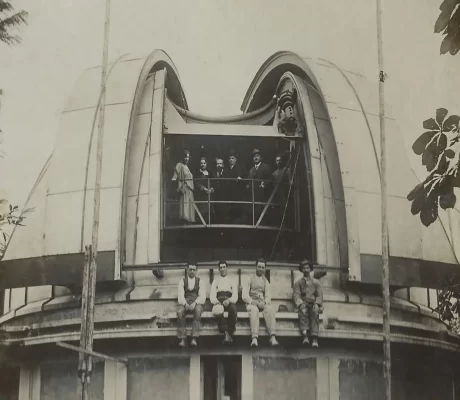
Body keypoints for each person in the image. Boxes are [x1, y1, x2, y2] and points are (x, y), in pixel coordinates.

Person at [242, 258, 280, 347]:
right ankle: (254, 338)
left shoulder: (265, 281)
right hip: (251, 303)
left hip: (262, 303)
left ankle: (272, 337)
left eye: (263, 267)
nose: (260, 269)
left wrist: (264, 303)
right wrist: (252, 302)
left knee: (270, 310)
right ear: (255, 267)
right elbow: (244, 295)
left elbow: (268, 296)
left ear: (265, 269)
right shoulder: (249, 278)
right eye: (259, 267)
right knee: (254, 311)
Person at [293, 259, 323, 347]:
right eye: (304, 268)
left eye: (307, 268)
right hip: (304, 303)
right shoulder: (298, 283)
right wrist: (300, 303)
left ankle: (314, 338)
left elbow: (319, 295)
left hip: (313, 304)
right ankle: (305, 336)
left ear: (310, 269)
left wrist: (317, 304)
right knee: (303, 311)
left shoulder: (316, 282)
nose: (306, 270)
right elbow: (296, 295)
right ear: (301, 270)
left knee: (315, 312)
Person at [176, 262, 206, 347]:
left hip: (196, 302)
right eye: (190, 269)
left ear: (196, 270)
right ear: (187, 270)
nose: (192, 271)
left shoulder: (200, 281)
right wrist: (185, 304)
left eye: (194, 269)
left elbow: (202, 296)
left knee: (198, 311)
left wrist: (194, 303)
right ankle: (182, 338)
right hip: (185, 302)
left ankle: (194, 338)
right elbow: (180, 295)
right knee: (180, 312)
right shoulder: (182, 281)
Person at [210, 260, 238, 343]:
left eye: (224, 267)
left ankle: (230, 331)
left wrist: (229, 300)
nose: (222, 269)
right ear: (219, 269)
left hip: (228, 300)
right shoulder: (215, 281)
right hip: (219, 301)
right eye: (221, 268)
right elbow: (212, 295)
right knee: (218, 310)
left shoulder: (232, 280)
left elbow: (235, 295)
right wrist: (216, 302)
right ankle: (225, 333)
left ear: (227, 268)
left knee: (233, 309)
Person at [247, 149, 271, 223]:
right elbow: (249, 181)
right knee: (254, 212)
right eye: (254, 156)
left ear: (261, 157)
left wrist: (264, 184)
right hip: (254, 195)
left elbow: (269, 179)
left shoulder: (266, 167)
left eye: (257, 156)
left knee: (263, 212)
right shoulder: (251, 170)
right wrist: (248, 186)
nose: (256, 158)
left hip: (263, 193)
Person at [172, 149, 195, 223]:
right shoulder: (179, 165)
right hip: (184, 191)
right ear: (182, 157)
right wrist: (177, 186)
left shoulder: (187, 167)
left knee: (189, 214)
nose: (187, 159)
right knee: (185, 213)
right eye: (185, 157)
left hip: (190, 192)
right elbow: (175, 176)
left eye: (188, 157)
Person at [222, 150, 244, 223]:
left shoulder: (239, 167)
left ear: (235, 159)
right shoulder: (226, 169)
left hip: (236, 191)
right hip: (228, 191)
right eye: (230, 158)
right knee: (228, 207)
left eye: (233, 158)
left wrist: (239, 177)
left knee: (236, 206)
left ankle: (236, 220)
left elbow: (240, 175)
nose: (231, 160)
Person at [194, 157, 214, 223]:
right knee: (201, 212)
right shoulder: (197, 173)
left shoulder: (210, 173)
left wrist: (211, 189)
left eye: (204, 163)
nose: (203, 164)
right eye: (201, 163)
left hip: (209, 194)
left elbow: (213, 182)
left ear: (206, 164)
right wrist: (204, 188)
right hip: (201, 195)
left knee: (209, 212)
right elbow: (196, 183)